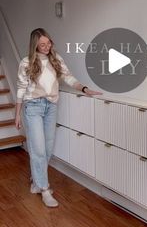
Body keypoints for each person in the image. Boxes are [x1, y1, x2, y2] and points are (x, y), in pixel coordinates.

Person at [15, 28, 102, 208]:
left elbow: (68, 78)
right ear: (35, 46)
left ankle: (36, 182)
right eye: (42, 45)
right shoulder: (26, 62)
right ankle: (45, 189)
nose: (47, 47)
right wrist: (17, 114)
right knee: (38, 148)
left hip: (51, 107)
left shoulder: (56, 59)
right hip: (33, 107)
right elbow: (21, 89)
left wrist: (84, 89)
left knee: (47, 148)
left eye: (49, 43)